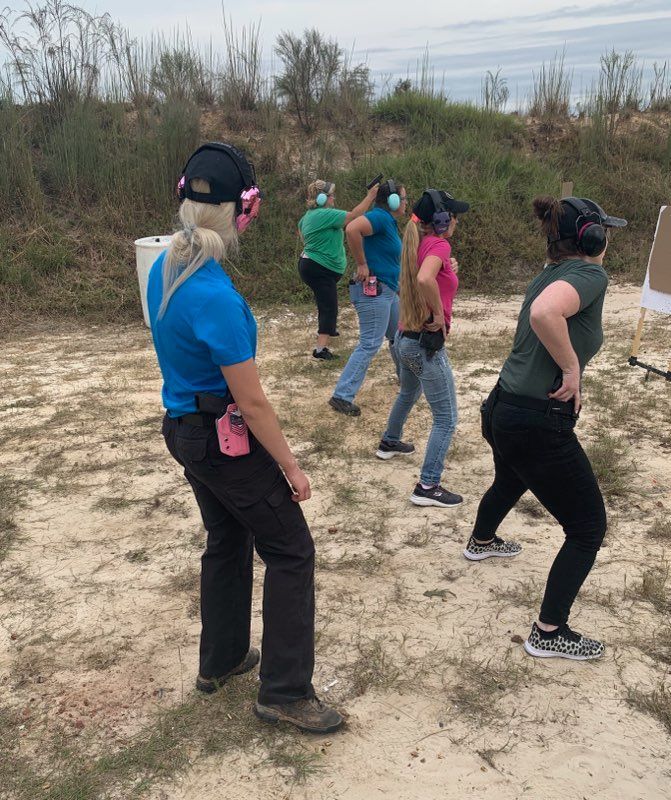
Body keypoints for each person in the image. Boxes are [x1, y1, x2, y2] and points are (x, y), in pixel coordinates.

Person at [147, 142, 344, 733]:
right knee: (291, 549)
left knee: (227, 538)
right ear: (240, 213)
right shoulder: (216, 296)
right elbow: (253, 402)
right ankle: (284, 693)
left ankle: (223, 660)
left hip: (185, 431)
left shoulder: (167, 267)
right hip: (219, 439)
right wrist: (291, 466)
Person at [464, 195, 627, 661]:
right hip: (535, 420)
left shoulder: (548, 274)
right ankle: (549, 630)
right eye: (604, 232)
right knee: (587, 526)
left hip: (503, 408)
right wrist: (572, 370)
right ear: (591, 237)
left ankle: (482, 540)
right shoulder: (589, 274)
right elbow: (544, 315)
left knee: (512, 477)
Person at [376, 189, 469, 508]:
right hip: (424, 344)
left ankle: (389, 441)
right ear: (442, 220)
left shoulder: (418, 242)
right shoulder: (438, 243)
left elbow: (430, 274)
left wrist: (447, 267)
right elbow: (426, 278)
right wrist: (439, 315)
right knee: (447, 418)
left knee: (408, 393)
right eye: (453, 215)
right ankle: (428, 485)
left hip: (405, 340)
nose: (456, 220)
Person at [329, 180, 407, 416]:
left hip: (388, 291)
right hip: (375, 293)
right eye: (403, 199)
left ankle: (406, 380)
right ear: (393, 201)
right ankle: (342, 395)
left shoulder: (388, 222)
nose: (405, 203)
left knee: (399, 336)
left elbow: (389, 259)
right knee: (370, 343)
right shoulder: (381, 217)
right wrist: (362, 263)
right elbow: (352, 228)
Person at [298, 179, 379, 360]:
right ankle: (320, 350)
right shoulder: (323, 214)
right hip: (319, 268)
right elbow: (355, 216)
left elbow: (303, 237)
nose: (333, 198)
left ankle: (326, 334)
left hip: (312, 265)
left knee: (325, 303)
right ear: (321, 198)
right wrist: (370, 196)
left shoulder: (307, 217)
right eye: (330, 195)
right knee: (329, 307)